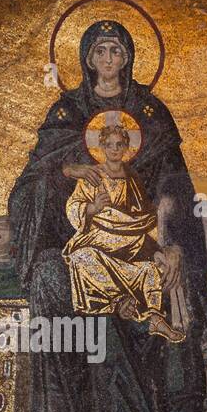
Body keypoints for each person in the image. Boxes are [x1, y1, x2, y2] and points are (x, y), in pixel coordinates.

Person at [6, 18, 207, 412]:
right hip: (85, 239)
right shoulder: (67, 113)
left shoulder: (150, 112)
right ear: (87, 59)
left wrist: (172, 245)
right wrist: (70, 170)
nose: (109, 60)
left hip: (145, 238)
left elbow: (173, 187)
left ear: (128, 57)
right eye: (100, 52)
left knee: (169, 289)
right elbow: (31, 185)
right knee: (58, 283)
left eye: (116, 51)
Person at [63, 121, 184, 342]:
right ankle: (119, 301)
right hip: (99, 236)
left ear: (126, 147)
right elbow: (73, 206)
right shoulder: (93, 176)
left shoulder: (132, 178)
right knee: (82, 258)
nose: (114, 149)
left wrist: (160, 246)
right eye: (109, 145)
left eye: (119, 144)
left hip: (130, 239)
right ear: (101, 147)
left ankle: (156, 319)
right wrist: (92, 208)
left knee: (150, 269)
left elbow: (144, 217)